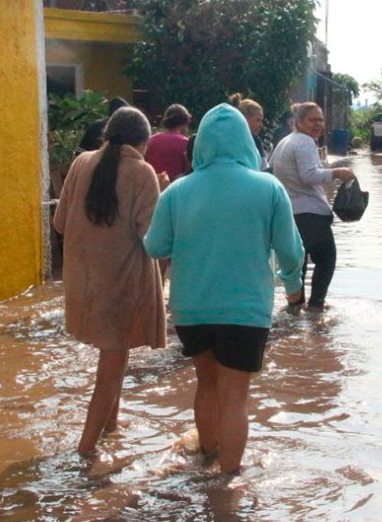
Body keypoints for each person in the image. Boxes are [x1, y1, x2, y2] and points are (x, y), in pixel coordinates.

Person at [144, 103, 304, 474]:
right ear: (245, 141)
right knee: (235, 398)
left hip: (191, 309)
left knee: (206, 385)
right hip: (245, 311)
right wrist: (292, 286)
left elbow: (154, 247)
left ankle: (207, 456)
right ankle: (228, 482)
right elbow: (291, 251)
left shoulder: (177, 191)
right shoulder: (268, 188)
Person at [53, 107, 166, 456]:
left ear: (107, 135)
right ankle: (85, 452)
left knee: (114, 361)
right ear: (144, 142)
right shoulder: (142, 172)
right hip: (121, 286)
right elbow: (153, 240)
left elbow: (60, 223)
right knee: (111, 369)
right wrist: (160, 193)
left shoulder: (81, 163)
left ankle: (111, 428)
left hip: (84, 283)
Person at [269, 102, 356, 311]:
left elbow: (272, 168)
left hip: (290, 213)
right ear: (298, 122)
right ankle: (316, 306)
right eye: (312, 120)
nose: (318, 124)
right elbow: (309, 175)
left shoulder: (285, 142)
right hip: (310, 213)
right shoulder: (304, 142)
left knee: (299, 263)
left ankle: (296, 306)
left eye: (321, 120)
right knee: (326, 258)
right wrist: (338, 173)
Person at [144, 104, 192, 181]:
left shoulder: (149, 141)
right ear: (184, 123)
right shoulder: (185, 143)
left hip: (153, 186)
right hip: (176, 188)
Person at [228, 94, 270, 171]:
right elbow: (264, 169)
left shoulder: (227, 136)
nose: (261, 125)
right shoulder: (255, 140)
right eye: (258, 120)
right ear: (245, 118)